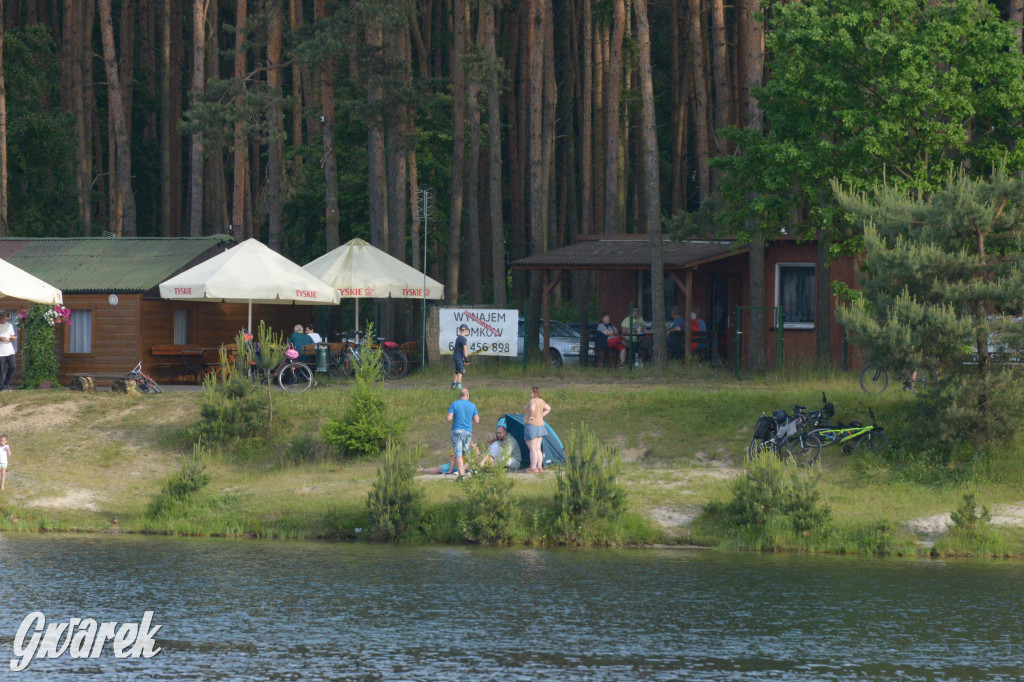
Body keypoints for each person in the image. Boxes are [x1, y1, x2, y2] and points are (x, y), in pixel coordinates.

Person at [446, 387, 479, 477]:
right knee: (467, 452)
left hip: (457, 431)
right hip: (468, 432)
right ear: (468, 396)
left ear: (460, 395)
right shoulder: (473, 405)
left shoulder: (454, 404)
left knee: (458, 454)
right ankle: (473, 469)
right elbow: (477, 421)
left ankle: (461, 476)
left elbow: (449, 418)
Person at [523, 386, 551, 473]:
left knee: (533, 448)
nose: (530, 394)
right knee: (538, 448)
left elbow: (532, 408)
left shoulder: (533, 400)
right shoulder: (541, 401)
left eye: (531, 392)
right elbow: (548, 409)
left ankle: (533, 467)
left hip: (532, 425)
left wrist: (532, 416)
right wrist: (540, 416)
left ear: (535, 393)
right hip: (541, 425)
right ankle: (539, 467)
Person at [451, 323, 470, 390]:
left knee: (457, 371)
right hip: (459, 356)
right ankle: (458, 384)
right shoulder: (463, 339)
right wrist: (466, 358)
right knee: (461, 370)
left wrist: (463, 357)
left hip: (455, 355)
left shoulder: (458, 338)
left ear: (459, 330)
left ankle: (453, 385)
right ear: (467, 331)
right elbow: (465, 348)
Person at [0, 312, 16, 391]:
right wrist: (0, 339)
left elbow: (12, 336)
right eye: (1, 317)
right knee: (1, 369)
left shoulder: (9, 325)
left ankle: (7, 384)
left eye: (4, 317)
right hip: (1, 351)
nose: (3, 318)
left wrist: (13, 339)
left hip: (9, 350)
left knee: (12, 366)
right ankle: (1, 386)